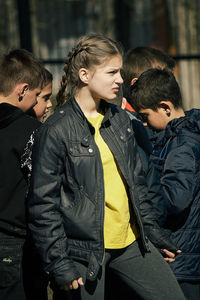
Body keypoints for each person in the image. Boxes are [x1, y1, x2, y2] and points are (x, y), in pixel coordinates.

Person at [28, 34, 185, 300]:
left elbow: (137, 183)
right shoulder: (56, 130)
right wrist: (58, 262)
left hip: (131, 242)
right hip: (83, 252)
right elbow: (43, 205)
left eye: (120, 72)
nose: (120, 80)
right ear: (85, 75)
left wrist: (151, 231)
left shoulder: (121, 121)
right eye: (112, 72)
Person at [130, 68, 200, 300]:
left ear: (165, 107)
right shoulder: (176, 137)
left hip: (182, 258)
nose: (145, 124)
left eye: (145, 116)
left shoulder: (182, 145)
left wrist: (144, 194)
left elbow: (175, 198)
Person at [0, 48, 48, 300]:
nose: (38, 102)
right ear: (22, 89)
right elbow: (41, 188)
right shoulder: (30, 130)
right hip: (15, 243)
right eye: (37, 94)